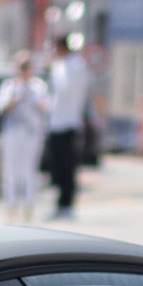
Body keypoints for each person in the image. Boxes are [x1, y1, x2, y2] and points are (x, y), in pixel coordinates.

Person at [0, 52, 50, 222]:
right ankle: (10, 206)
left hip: (31, 133)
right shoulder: (9, 86)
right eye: (22, 67)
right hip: (12, 132)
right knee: (11, 170)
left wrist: (32, 97)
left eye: (27, 67)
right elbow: (2, 108)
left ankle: (28, 206)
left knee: (29, 170)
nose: (24, 70)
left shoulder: (38, 86)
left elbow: (46, 107)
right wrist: (16, 98)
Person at [44, 35, 89, 219]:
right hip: (57, 121)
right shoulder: (64, 65)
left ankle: (67, 203)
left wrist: (53, 69)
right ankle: (60, 203)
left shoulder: (72, 65)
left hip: (67, 121)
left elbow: (63, 89)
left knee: (67, 166)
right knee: (58, 166)